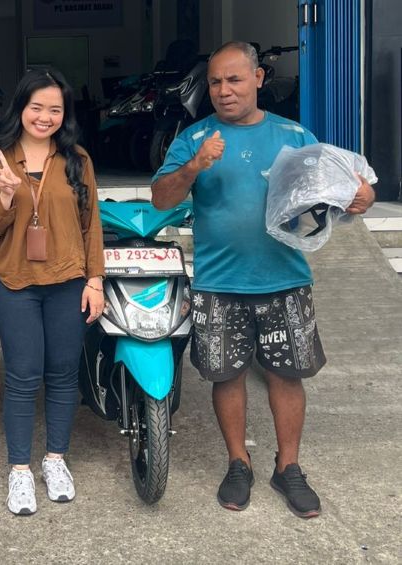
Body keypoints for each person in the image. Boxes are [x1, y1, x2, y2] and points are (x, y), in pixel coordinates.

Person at [151, 42, 375, 518]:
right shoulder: (194, 138)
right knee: (226, 376)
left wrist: (363, 196)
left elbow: (338, 190)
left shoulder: (293, 135)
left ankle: (288, 467)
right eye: (215, 82)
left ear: (258, 78)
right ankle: (238, 463)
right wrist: (194, 167)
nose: (224, 90)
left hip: (285, 279)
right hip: (218, 283)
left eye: (234, 79)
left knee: (287, 376)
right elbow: (160, 199)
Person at [0, 69, 105, 515]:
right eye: (37, 107)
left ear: (65, 114)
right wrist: (6, 197)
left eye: (55, 109)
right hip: (17, 284)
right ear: (21, 108)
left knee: (64, 375)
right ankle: (20, 470)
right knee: (23, 377)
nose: (45, 117)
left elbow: (91, 223)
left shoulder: (77, 159)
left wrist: (95, 280)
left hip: (68, 282)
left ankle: (55, 460)